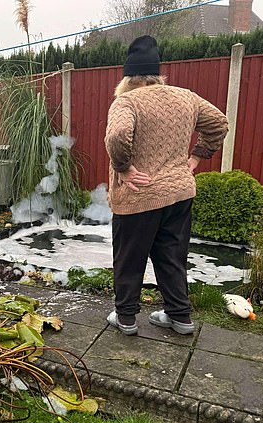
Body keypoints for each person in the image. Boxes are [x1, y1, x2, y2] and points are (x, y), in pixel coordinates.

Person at [104, 35, 228, 336]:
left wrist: (124, 168)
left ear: (129, 76)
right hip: (179, 194)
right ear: (157, 74)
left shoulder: (127, 101)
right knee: (172, 256)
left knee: (130, 257)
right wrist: (197, 157)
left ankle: (127, 318)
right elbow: (220, 123)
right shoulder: (187, 97)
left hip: (139, 196)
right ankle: (180, 317)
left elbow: (118, 135)